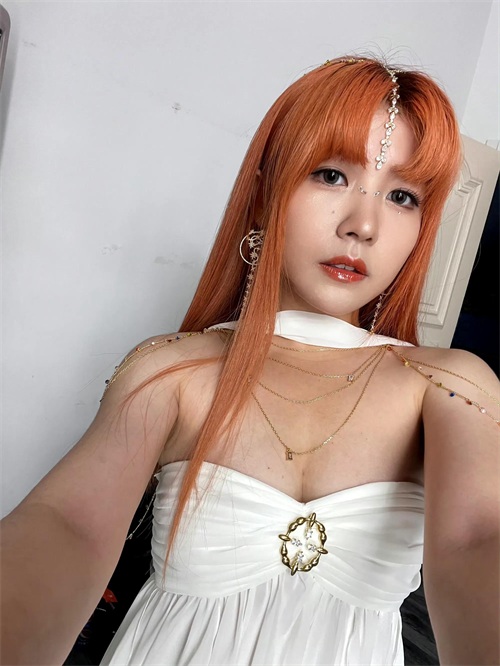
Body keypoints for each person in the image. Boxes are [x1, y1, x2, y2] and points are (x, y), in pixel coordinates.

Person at [1, 56, 499, 666]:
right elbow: (69, 525)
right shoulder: (172, 371)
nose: (363, 225)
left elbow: (479, 537)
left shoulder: (446, 386)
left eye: (401, 196)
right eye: (331, 175)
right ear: (267, 192)